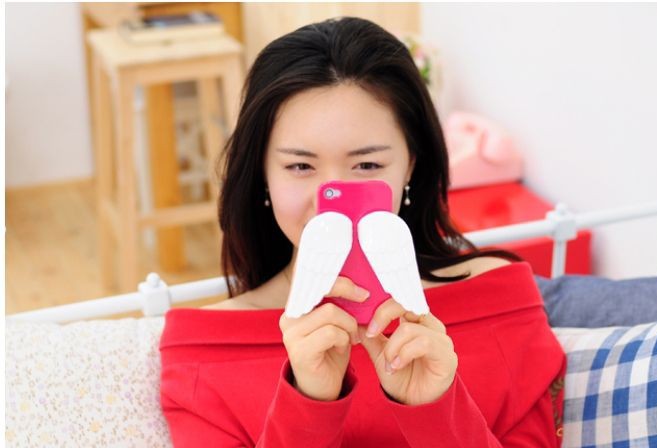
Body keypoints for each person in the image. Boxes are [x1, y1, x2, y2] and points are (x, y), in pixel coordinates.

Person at [159, 16, 566, 447]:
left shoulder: (500, 302)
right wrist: (307, 403)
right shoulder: (203, 353)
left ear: (410, 166)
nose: (331, 205)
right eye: (300, 166)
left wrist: (438, 411)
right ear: (262, 174)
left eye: (367, 165)